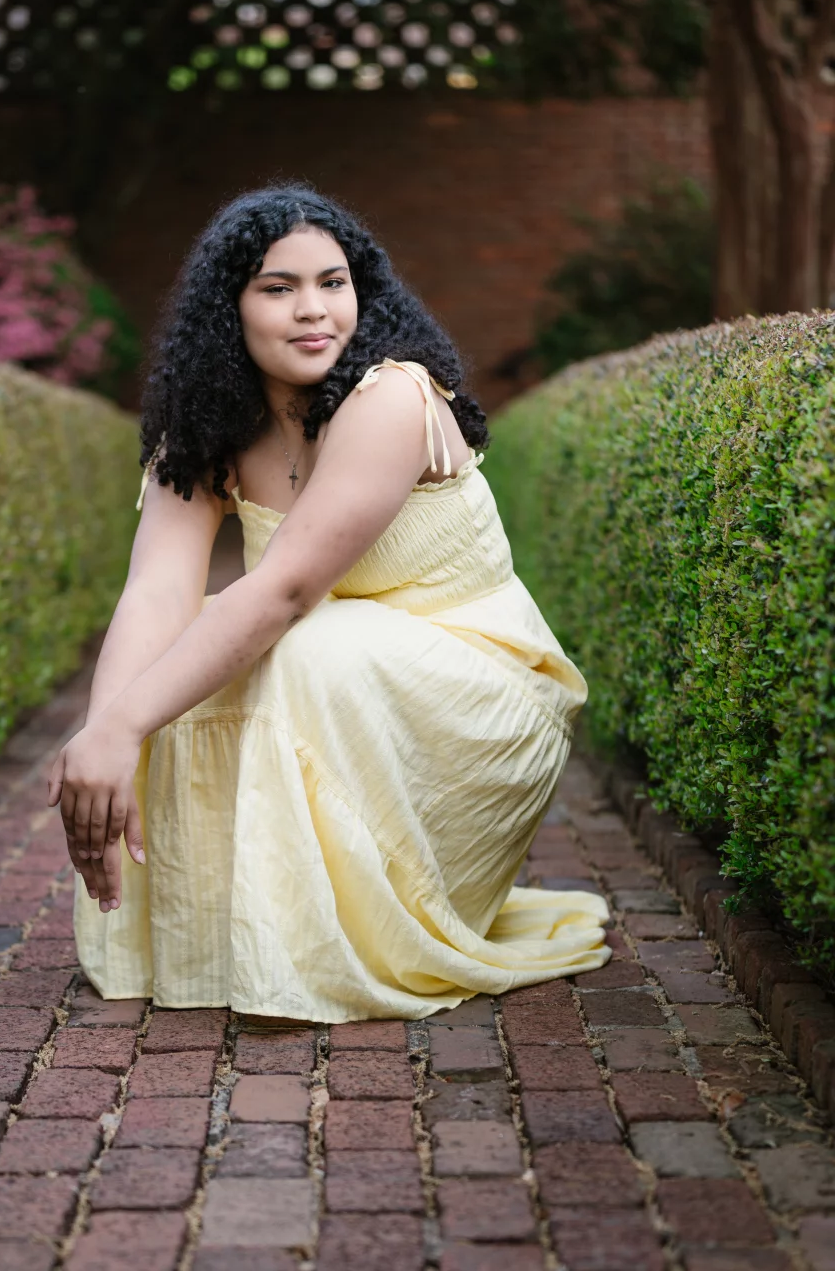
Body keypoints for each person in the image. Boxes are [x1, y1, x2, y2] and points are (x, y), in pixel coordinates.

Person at [48, 184, 610, 1021]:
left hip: (482, 695)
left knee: (286, 646)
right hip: (352, 681)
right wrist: (106, 738)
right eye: (279, 288)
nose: (314, 310)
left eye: (333, 283)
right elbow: (157, 590)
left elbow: (284, 592)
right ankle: (228, 943)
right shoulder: (207, 427)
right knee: (177, 666)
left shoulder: (391, 396)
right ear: (229, 309)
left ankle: (326, 948)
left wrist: (124, 725)